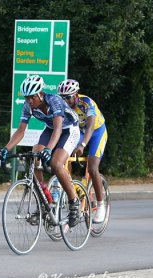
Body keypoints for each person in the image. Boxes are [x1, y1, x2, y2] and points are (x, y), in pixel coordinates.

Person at [0, 75, 81, 227]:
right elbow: (20, 131)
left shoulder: (54, 100)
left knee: (56, 163)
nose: (29, 101)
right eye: (27, 98)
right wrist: (5, 149)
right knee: (35, 154)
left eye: (31, 98)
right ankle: (44, 201)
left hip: (69, 129)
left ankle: (74, 202)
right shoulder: (27, 105)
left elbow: (58, 129)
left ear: (40, 94)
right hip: (50, 129)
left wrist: (49, 149)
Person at [58, 79, 108, 223]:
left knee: (92, 168)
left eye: (68, 97)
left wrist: (83, 145)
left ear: (76, 95)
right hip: (79, 131)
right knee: (63, 156)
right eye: (63, 98)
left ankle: (101, 205)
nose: (66, 101)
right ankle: (75, 188)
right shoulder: (63, 106)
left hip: (97, 131)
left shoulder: (86, 102)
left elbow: (91, 125)